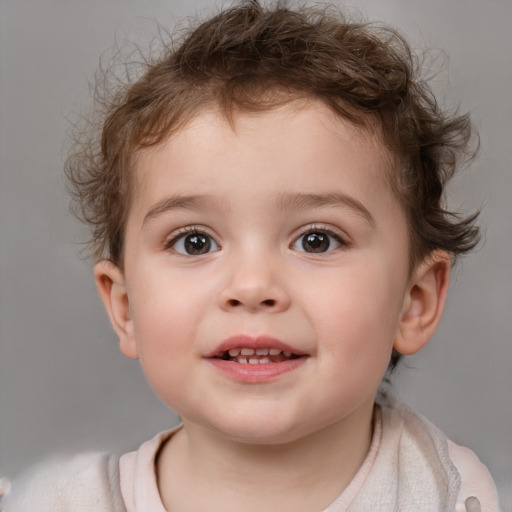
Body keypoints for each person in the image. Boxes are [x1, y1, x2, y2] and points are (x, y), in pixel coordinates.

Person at [0, 1, 502, 511]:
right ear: (125, 308)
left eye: (317, 240)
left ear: (414, 302)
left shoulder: (452, 494)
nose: (253, 286)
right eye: (195, 242)